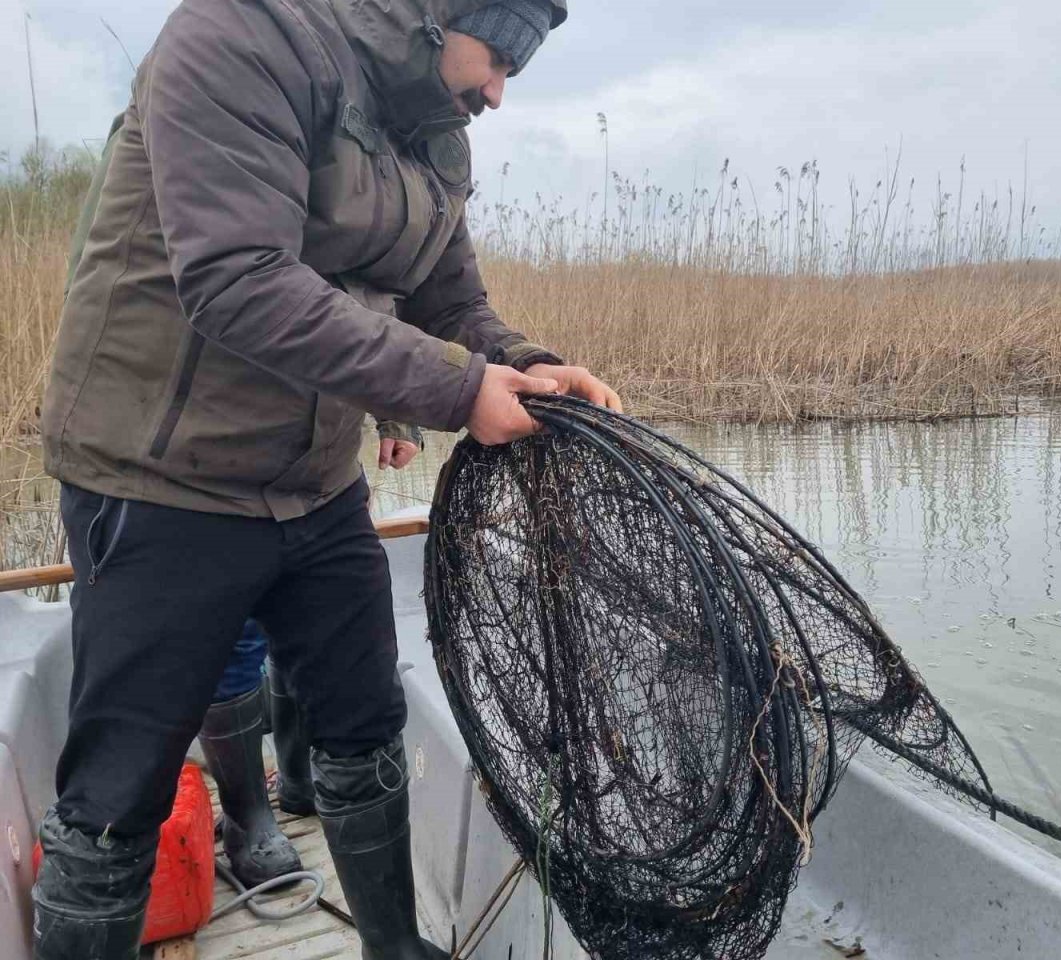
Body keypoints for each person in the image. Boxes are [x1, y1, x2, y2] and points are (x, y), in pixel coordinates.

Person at [32, 0, 621, 956]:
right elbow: (239, 280)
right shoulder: (239, 36)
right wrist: (459, 389)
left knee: (366, 721)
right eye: (501, 54)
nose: (498, 92)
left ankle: (394, 947)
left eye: (519, 68)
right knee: (118, 788)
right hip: (159, 478)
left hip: (314, 482)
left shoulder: (437, 134)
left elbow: (450, 301)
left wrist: (525, 363)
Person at [200, 434, 419, 888]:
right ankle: (248, 819)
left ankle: (298, 781)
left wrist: (397, 418)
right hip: (207, 480)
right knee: (233, 640)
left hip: (322, 475)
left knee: (317, 622)